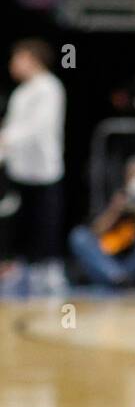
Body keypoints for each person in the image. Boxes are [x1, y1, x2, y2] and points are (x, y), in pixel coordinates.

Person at [0, 39, 66, 294]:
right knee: (19, 223)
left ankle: (49, 273)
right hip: (20, 169)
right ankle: (22, 270)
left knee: (45, 223)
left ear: (31, 59)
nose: (12, 65)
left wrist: (6, 139)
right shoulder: (21, 92)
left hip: (44, 171)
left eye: (17, 58)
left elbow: (38, 127)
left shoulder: (49, 88)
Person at [68, 155, 135, 287]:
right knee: (79, 236)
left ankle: (117, 280)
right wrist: (114, 211)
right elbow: (94, 231)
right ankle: (118, 278)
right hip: (109, 259)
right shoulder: (116, 198)